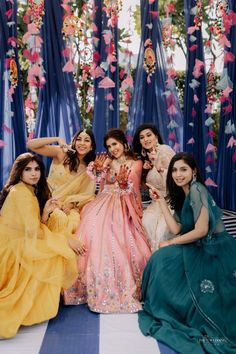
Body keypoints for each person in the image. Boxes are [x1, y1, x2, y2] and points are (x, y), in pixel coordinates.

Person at [138, 152, 236, 354]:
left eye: (183, 169)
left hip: (214, 249)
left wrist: (170, 243)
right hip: (198, 245)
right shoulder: (183, 193)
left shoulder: (197, 189)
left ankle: (173, 307)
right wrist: (161, 202)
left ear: (194, 171)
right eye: (174, 170)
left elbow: (200, 231)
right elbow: (176, 228)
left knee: (163, 258)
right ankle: (168, 305)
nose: (178, 174)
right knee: (160, 258)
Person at [63, 128, 151, 313]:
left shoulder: (136, 162)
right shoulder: (108, 161)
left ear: (123, 143)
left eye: (115, 144)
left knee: (120, 238)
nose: (112, 149)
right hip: (103, 200)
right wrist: (99, 170)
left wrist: (123, 182)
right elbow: (100, 180)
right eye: (109, 146)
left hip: (122, 204)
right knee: (90, 226)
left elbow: (132, 186)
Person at [0, 153, 78, 339]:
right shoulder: (21, 193)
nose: (34, 174)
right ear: (19, 172)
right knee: (56, 255)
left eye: (37, 169)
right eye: (28, 169)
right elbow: (33, 232)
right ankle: (30, 309)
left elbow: (32, 227)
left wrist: (45, 213)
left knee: (56, 248)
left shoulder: (27, 190)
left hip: (19, 239)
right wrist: (65, 241)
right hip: (11, 246)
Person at [27, 129, 96, 250]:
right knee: (59, 217)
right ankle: (65, 240)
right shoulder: (61, 154)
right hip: (46, 198)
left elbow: (86, 194)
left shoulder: (88, 169)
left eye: (86, 140)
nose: (82, 143)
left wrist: (71, 203)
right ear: (73, 142)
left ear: (91, 147)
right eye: (79, 139)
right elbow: (31, 145)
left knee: (75, 219)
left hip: (66, 205)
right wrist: (58, 139)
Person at [132, 123, 175, 251]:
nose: (146, 139)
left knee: (162, 230)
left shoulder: (165, 150)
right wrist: (145, 172)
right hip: (155, 204)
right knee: (145, 223)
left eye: (149, 135)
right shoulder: (145, 159)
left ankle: (161, 263)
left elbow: (176, 179)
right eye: (142, 137)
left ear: (156, 136)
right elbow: (147, 187)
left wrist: (159, 167)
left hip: (171, 203)